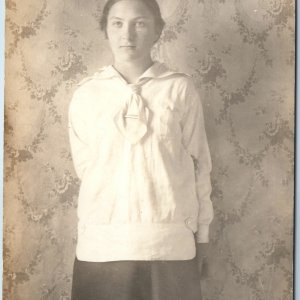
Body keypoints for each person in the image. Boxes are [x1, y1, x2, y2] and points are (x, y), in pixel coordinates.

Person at [68, 0, 214, 299]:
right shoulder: (86, 94)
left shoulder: (179, 89)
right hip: (103, 249)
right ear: (105, 30)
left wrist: (204, 235)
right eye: (118, 23)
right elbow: (88, 171)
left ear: (158, 30)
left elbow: (200, 166)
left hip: (169, 247)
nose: (128, 35)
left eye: (140, 23)